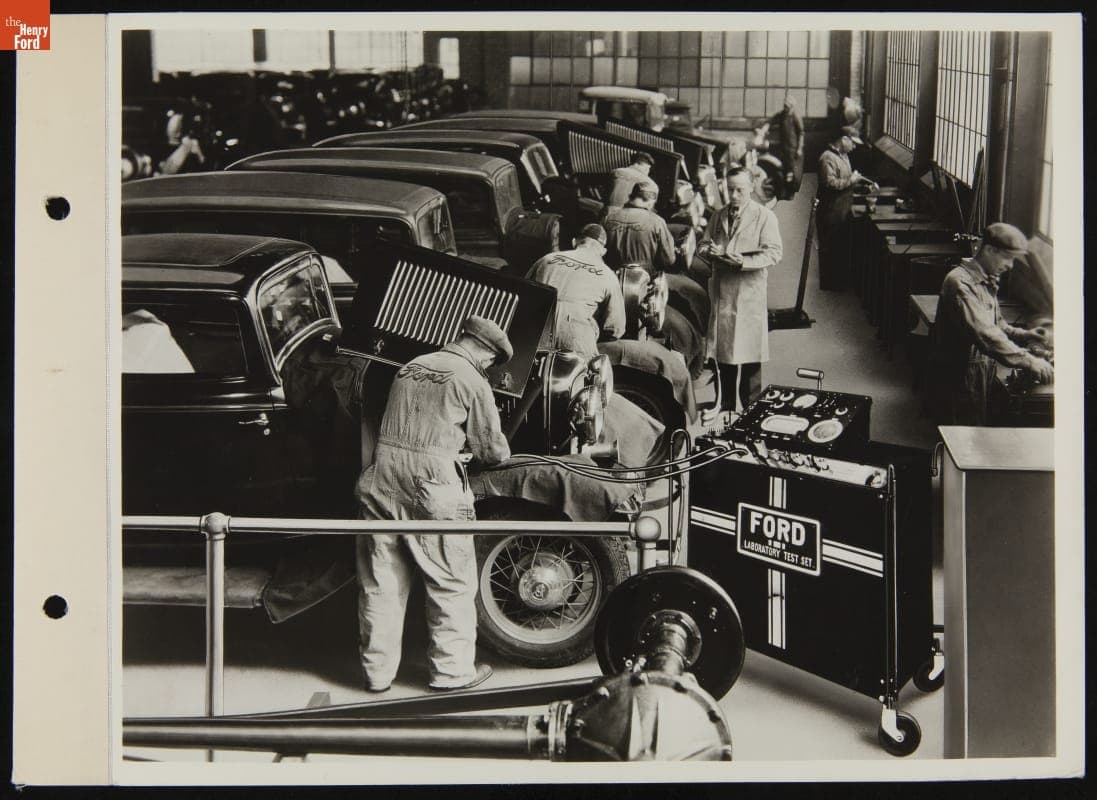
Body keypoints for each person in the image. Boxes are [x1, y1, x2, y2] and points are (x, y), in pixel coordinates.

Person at [355, 316, 512, 693]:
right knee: (451, 582)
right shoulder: (472, 380)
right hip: (433, 486)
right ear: (487, 354)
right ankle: (452, 673)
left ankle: (377, 674)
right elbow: (492, 451)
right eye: (491, 363)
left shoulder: (410, 367)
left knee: (380, 582)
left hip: (381, 477)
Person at [928, 223, 1054, 426]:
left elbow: (997, 324)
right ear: (989, 250)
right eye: (1008, 258)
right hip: (960, 374)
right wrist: (1030, 361)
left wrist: (1026, 335)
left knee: (976, 427)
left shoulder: (986, 279)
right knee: (962, 434)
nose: (1011, 266)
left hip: (981, 369)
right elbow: (985, 334)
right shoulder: (961, 284)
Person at [697, 165, 783, 412]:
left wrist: (743, 261)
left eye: (740, 190)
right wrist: (710, 252)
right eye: (730, 189)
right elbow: (703, 244)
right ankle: (723, 406)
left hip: (748, 294)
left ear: (752, 187)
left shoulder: (765, 217)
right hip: (723, 293)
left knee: (749, 358)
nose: (734, 196)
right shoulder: (718, 215)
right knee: (723, 356)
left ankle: (751, 409)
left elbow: (775, 253)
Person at [527, 223, 626, 357]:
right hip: (576, 332)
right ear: (603, 251)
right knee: (584, 375)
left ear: (574, 242)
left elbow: (523, 292)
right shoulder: (608, 275)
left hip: (537, 325)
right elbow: (615, 328)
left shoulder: (547, 259)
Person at [815, 125, 873, 290]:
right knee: (829, 245)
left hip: (842, 208)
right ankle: (829, 284)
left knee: (838, 245)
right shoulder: (827, 158)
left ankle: (838, 281)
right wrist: (852, 181)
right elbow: (830, 183)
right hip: (831, 210)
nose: (854, 147)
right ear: (844, 139)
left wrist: (858, 183)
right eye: (852, 143)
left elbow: (845, 179)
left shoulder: (844, 156)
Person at [602, 183, 677, 271]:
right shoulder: (657, 221)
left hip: (612, 275)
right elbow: (668, 259)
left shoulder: (608, 217)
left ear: (631, 196)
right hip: (643, 278)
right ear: (651, 199)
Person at [768, 94, 805, 196]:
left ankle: (791, 191)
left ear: (792, 106)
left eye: (787, 106)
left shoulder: (796, 116)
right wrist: (766, 127)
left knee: (791, 170)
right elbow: (772, 121)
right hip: (783, 147)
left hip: (793, 149)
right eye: (784, 106)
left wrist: (800, 148)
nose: (785, 108)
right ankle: (784, 190)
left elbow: (801, 133)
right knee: (784, 169)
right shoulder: (782, 115)